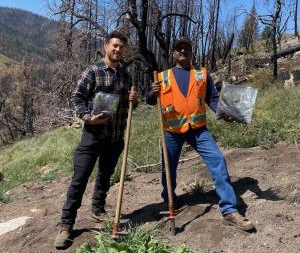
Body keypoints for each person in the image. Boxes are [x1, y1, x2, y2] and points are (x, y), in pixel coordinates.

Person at [146, 37, 254, 231]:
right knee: (167, 169)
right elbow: (151, 101)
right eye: (179, 48)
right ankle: (170, 200)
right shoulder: (162, 77)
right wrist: (151, 93)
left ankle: (229, 209)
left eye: (187, 48)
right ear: (173, 53)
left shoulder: (202, 74)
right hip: (171, 131)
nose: (183, 51)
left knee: (218, 160)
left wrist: (223, 112)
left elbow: (212, 98)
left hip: (198, 130)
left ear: (192, 52)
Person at [54, 31, 138, 248]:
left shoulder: (126, 75)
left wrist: (133, 100)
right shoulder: (93, 70)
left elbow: (130, 106)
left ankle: (98, 208)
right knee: (80, 178)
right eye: (115, 46)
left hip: (115, 136)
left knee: (105, 175)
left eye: (121, 47)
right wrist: (87, 117)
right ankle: (66, 225)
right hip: (92, 136)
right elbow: (77, 95)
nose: (118, 50)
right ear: (106, 47)